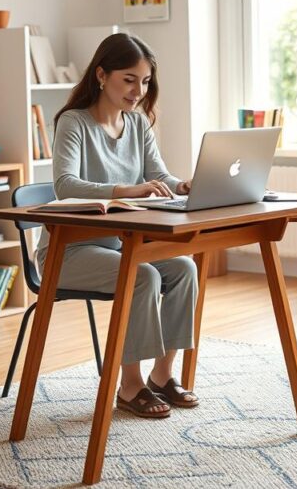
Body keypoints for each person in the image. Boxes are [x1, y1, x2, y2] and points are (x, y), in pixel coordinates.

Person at [36, 33, 198, 419]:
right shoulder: (73, 123)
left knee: (184, 268)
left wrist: (181, 185)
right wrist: (128, 189)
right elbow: (65, 185)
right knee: (141, 275)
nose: (138, 91)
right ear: (101, 75)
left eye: (144, 82)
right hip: (68, 251)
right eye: (129, 80)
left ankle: (162, 376)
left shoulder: (138, 124)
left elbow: (158, 174)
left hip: (118, 245)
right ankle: (129, 386)